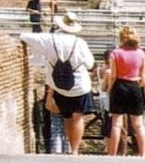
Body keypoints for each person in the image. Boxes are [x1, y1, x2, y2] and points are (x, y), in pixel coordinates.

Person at [20, 11, 95, 155]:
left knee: (66, 116)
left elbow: (24, 36)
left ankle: (69, 145)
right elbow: (90, 64)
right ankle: (75, 150)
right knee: (78, 116)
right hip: (80, 85)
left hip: (58, 85)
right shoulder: (80, 43)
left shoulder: (50, 39)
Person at [106, 26, 145, 157]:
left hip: (120, 85)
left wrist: (109, 89)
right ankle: (143, 153)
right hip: (135, 85)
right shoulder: (141, 53)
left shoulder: (115, 53)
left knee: (116, 123)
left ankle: (112, 153)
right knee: (138, 124)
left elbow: (113, 74)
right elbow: (143, 74)